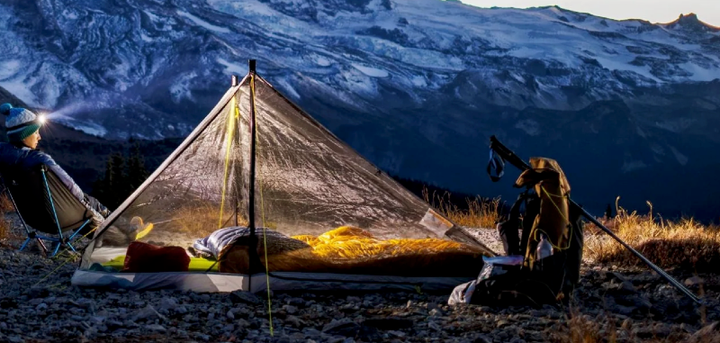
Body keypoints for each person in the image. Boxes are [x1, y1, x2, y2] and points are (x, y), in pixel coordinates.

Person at [0, 103, 153, 244]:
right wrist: (92, 211)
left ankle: (122, 231)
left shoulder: (5, 160)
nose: (39, 137)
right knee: (88, 204)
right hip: (59, 217)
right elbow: (70, 186)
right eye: (36, 132)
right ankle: (122, 234)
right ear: (24, 135)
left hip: (33, 219)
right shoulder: (40, 160)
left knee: (77, 206)